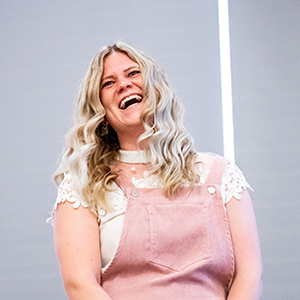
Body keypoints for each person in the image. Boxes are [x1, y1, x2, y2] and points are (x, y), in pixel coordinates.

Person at [48, 41, 262, 300]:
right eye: (108, 83)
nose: (124, 84)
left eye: (133, 73)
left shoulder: (221, 175)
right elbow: (80, 285)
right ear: (101, 113)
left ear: (157, 89)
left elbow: (249, 273)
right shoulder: (83, 186)